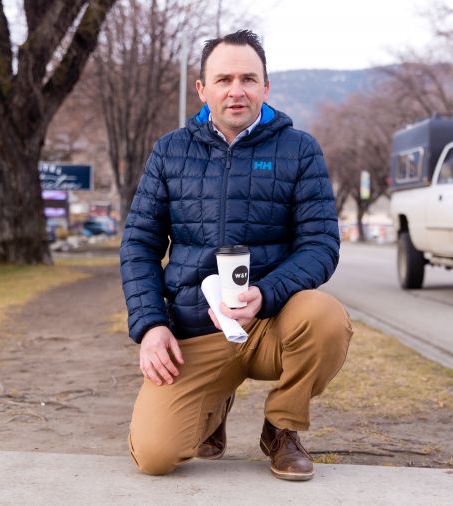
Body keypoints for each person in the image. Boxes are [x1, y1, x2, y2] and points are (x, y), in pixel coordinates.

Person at [119, 29, 352, 482]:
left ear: (266, 88)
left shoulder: (299, 150)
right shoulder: (170, 151)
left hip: (271, 323)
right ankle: (213, 405)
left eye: (248, 78)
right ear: (203, 89)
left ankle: (282, 428)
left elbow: (321, 244)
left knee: (326, 318)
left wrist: (266, 295)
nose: (236, 89)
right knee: (155, 456)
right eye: (224, 79)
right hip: (196, 330)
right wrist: (150, 325)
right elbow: (139, 246)